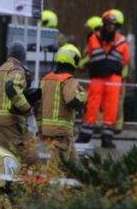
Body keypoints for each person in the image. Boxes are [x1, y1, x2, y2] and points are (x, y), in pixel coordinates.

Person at [77, 10, 131, 148]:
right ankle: (85, 135)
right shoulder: (94, 39)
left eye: (112, 25)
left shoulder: (122, 41)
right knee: (92, 106)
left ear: (116, 26)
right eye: (108, 24)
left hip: (112, 79)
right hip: (98, 78)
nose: (110, 27)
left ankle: (107, 138)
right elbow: (90, 55)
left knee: (111, 108)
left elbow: (125, 59)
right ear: (103, 24)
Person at [38, 44, 87, 165]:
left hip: (47, 132)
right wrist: (83, 95)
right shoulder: (68, 80)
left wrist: (40, 128)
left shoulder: (45, 80)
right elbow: (72, 101)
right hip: (62, 134)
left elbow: (38, 107)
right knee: (60, 169)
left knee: (74, 167)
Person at [0, 42, 36, 162]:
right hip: (12, 123)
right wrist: (27, 109)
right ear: (22, 56)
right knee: (30, 158)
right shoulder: (16, 69)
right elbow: (11, 87)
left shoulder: (0, 70)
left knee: (4, 161)